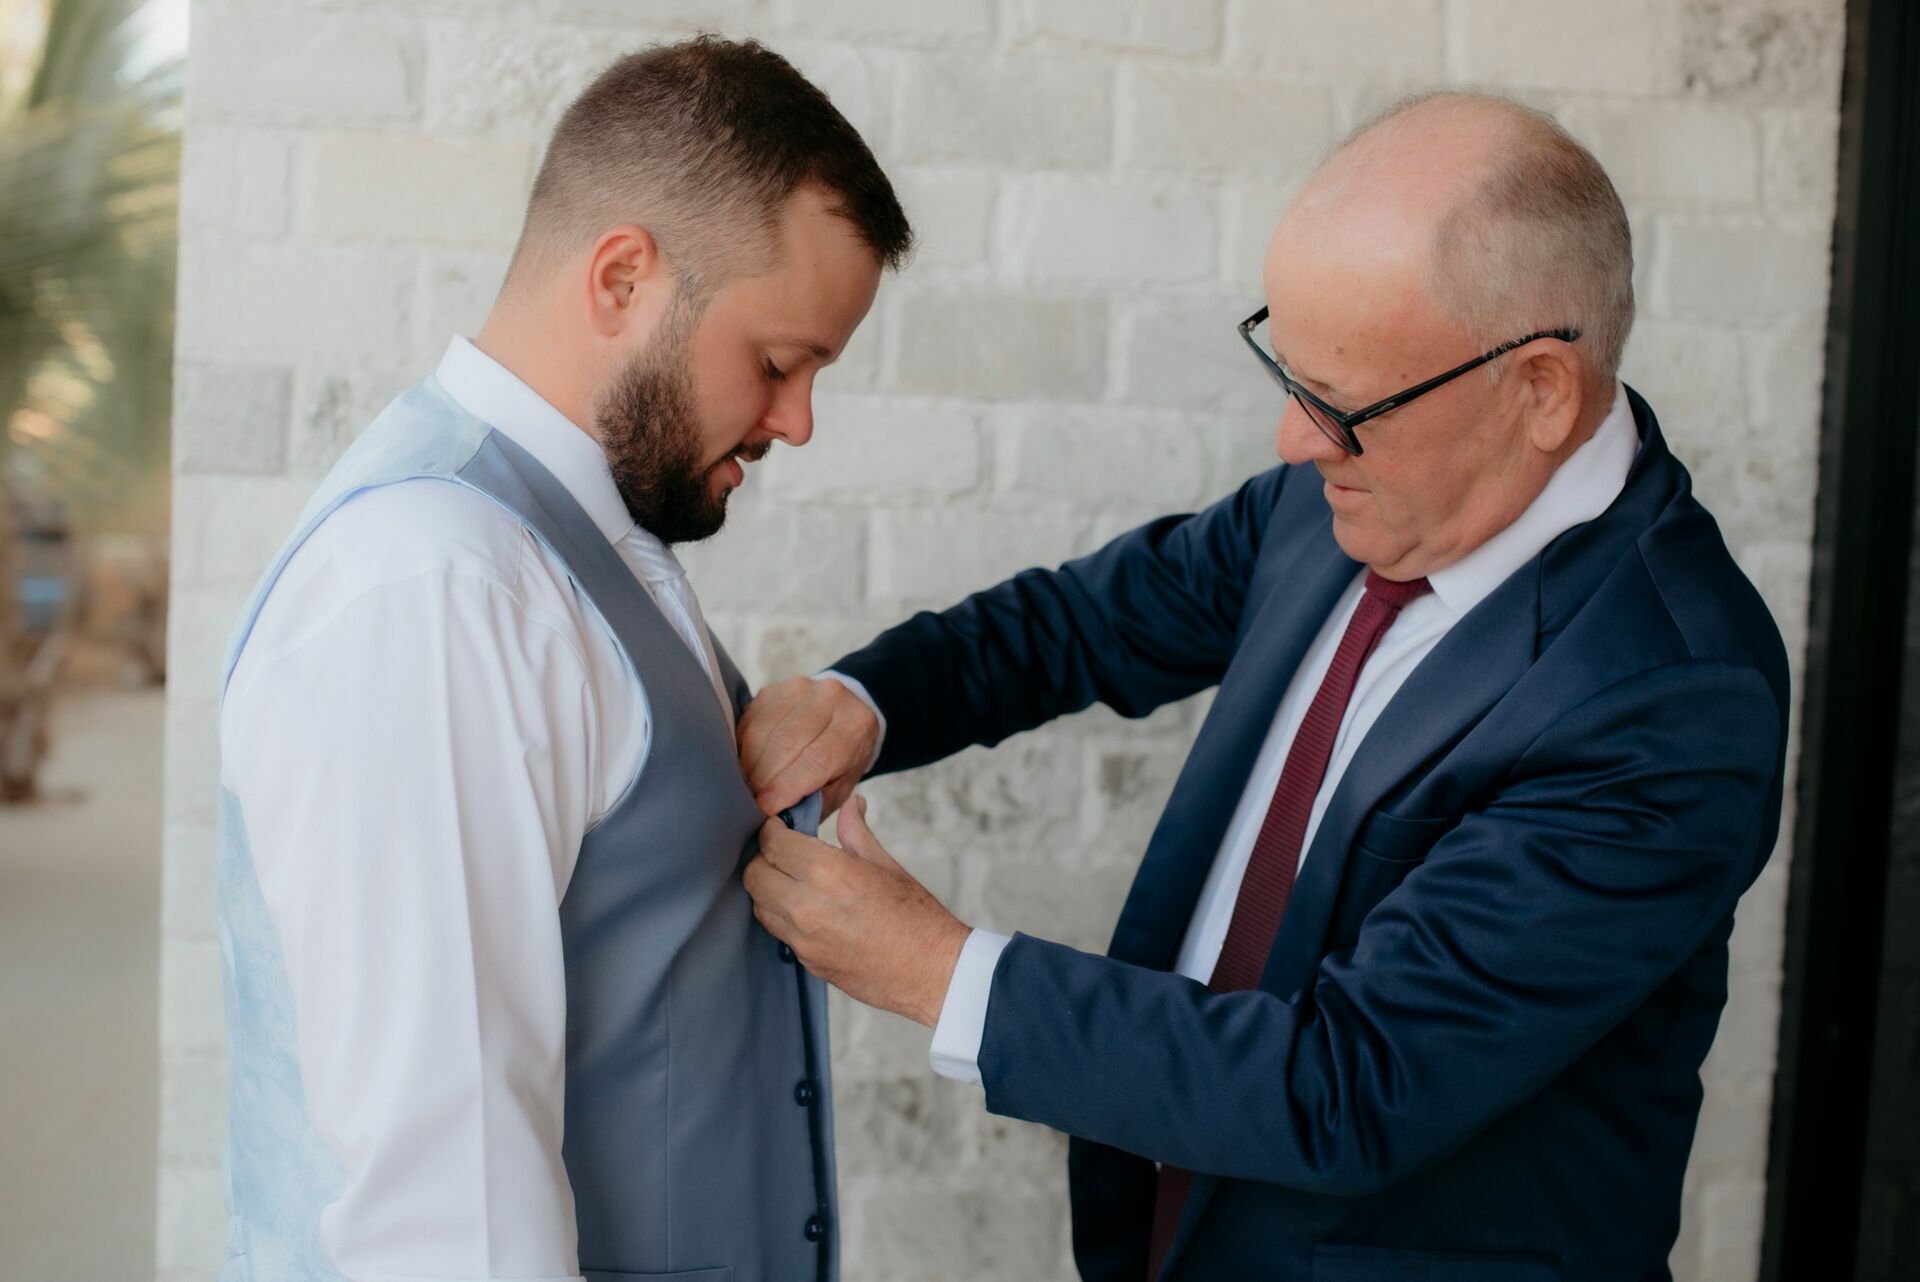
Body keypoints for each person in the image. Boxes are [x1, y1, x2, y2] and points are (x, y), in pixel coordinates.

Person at [739, 91, 1789, 1281]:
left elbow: (1352, 1081)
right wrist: (863, 699)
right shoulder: (1343, 495)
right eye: (1287, 373)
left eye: (1340, 404)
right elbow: (1084, 623)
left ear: (1540, 388)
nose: (1294, 438)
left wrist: (939, 971)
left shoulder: (1672, 697)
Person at [213, 36, 909, 1282]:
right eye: (776, 363)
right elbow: (447, 1216)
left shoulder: (574, 540)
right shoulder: (441, 584)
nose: (797, 421)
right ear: (623, 278)